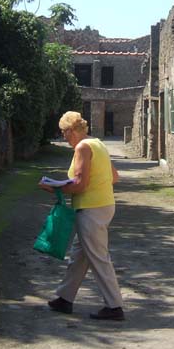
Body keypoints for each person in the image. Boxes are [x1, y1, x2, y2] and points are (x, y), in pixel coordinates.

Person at [40, 111, 125, 321]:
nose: (63, 137)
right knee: (79, 256)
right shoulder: (97, 143)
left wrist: (54, 188)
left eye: (63, 132)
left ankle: (114, 306)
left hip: (91, 209)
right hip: (103, 206)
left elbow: (80, 184)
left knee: (98, 257)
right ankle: (64, 298)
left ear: (70, 131)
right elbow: (114, 176)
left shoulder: (82, 147)